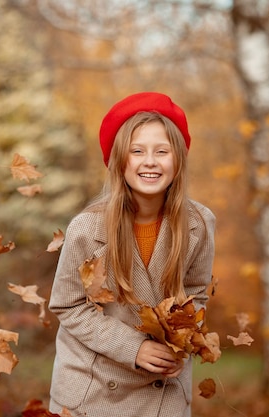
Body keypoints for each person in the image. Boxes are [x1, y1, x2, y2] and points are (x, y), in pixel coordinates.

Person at [48, 92, 216, 417]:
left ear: (178, 160)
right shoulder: (87, 228)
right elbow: (68, 306)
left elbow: (196, 294)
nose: (149, 161)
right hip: (93, 390)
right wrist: (133, 347)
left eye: (161, 151)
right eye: (136, 151)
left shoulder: (200, 224)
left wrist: (181, 343)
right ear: (118, 161)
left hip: (162, 391)